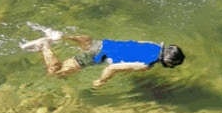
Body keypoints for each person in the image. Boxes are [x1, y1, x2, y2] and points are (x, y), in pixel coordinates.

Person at [22, 32, 185, 87]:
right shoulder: (145, 65)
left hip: (102, 43)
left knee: (88, 43)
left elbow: (133, 45)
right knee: (56, 73)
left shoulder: (153, 45)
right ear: (168, 62)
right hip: (97, 55)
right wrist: (101, 81)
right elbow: (112, 68)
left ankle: (60, 36)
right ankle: (44, 46)